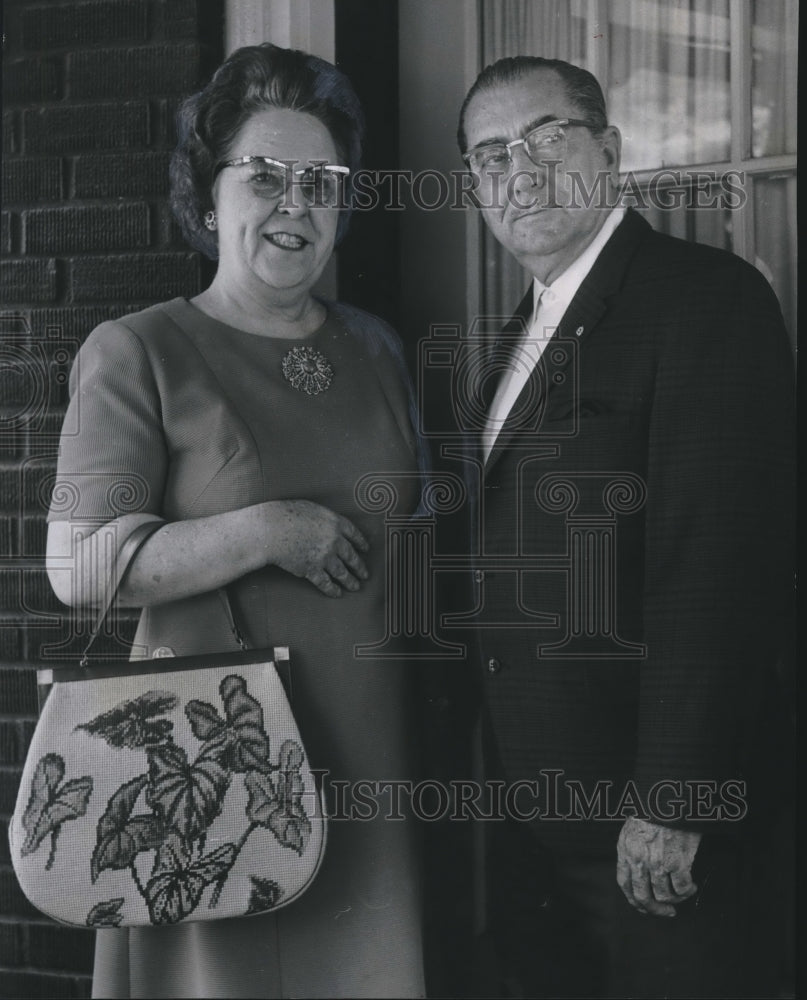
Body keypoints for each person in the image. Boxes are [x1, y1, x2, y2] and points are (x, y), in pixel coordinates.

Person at [46, 43, 426, 999]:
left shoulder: (378, 348)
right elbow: (77, 567)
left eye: (321, 180)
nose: (295, 203)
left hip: (373, 751)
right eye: (264, 175)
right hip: (217, 773)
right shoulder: (138, 350)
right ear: (206, 193)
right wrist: (263, 531)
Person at [451, 56, 795, 998]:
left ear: (607, 152)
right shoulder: (515, 335)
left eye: (546, 138)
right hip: (532, 816)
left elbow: (718, 562)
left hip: (654, 832)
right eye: (490, 155)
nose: (519, 170)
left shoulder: (705, 300)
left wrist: (673, 797)